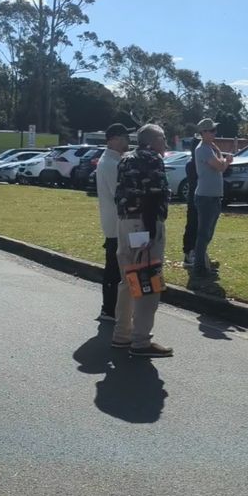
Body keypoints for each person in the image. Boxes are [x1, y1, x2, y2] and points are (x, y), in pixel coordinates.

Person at [113, 123, 173, 358]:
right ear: (153, 141)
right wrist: (149, 233)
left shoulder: (126, 159)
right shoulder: (153, 159)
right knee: (147, 282)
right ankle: (141, 341)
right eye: (163, 139)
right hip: (144, 225)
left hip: (125, 222)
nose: (165, 144)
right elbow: (153, 195)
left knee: (127, 280)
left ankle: (122, 334)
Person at [95, 123, 132, 333]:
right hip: (116, 224)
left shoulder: (113, 160)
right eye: (125, 137)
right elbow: (120, 194)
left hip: (116, 223)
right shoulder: (110, 163)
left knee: (116, 269)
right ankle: (109, 308)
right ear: (114, 139)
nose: (127, 142)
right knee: (114, 269)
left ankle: (114, 308)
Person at [188, 119, 231, 278]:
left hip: (213, 196)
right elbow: (220, 166)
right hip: (205, 196)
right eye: (212, 130)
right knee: (203, 233)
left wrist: (220, 154)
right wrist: (226, 161)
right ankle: (199, 266)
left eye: (214, 130)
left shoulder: (209, 148)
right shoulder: (203, 149)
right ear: (203, 132)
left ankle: (202, 261)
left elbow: (219, 164)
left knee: (208, 233)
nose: (214, 133)